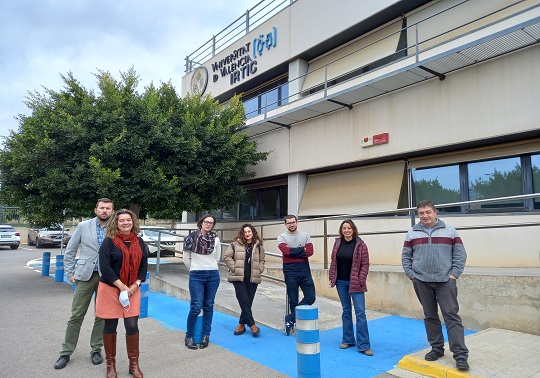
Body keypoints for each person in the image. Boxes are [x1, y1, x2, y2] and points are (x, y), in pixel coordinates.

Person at [402, 200, 469, 372]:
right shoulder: (412, 233)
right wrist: (412, 275)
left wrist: (453, 275)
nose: (425, 216)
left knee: (451, 316)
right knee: (430, 316)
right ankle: (437, 348)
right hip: (421, 281)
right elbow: (405, 256)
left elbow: (460, 255)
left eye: (428, 212)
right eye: (421, 213)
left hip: (445, 282)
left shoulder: (450, 230)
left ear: (435, 212)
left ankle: (460, 355)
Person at [54, 198, 114, 370]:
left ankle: (96, 350)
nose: (104, 211)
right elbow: (70, 250)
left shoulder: (115, 227)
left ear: (112, 211)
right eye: (101, 208)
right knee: (76, 315)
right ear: (96, 210)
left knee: (101, 316)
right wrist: (69, 273)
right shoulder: (83, 226)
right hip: (85, 276)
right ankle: (65, 352)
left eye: (108, 208)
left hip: (107, 279)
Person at [96, 209, 149, 378]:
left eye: (128, 220)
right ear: (115, 223)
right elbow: (105, 268)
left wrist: (135, 285)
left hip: (133, 289)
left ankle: (134, 364)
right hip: (111, 289)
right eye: (122, 220)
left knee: (132, 325)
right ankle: (110, 365)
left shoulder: (139, 242)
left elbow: (143, 266)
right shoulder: (108, 242)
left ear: (133, 222)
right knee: (110, 326)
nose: (126, 223)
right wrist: (122, 287)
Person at [329, 220, 373, 356]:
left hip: (355, 283)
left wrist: (360, 280)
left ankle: (364, 345)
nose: (346, 230)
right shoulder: (337, 243)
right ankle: (348, 339)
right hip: (341, 282)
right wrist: (332, 277)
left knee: (360, 313)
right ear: (341, 230)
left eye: (349, 228)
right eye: (344, 228)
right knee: (346, 311)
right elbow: (333, 261)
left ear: (353, 230)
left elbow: (365, 264)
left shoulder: (360, 245)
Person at [182, 214, 221, 350]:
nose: (208, 224)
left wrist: (209, 267)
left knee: (209, 305)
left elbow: (217, 257)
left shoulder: (215, 239)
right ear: (201, 222)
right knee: (196, 306)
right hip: (196, 275)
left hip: (213, 274)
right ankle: (189, 336)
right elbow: (186, 258)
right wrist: (195, 268)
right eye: (206, 221)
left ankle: (206, 335)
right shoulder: (191, 238)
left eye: (211, 222)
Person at [223, 224, 266, 337]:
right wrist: (234, 267)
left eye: (249, 231)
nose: (247, 234)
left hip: (253, 277)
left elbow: (262, 260)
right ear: (242, 233)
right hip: (238, 277)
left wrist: (260, 269)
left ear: (253, 232)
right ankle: (252, 325)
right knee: (243, 300)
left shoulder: (259, 246)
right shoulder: (234, 244)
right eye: (244, 232)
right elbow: (226, 257)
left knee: (248, 302)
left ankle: (241, 324)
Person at [277, 214, 316, 336]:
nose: (291, 224)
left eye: (293, 222)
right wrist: (301, 249)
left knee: (311, 297)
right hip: (290, 272)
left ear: (297, 222)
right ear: (285, 224)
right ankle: (294, 323)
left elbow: (310, 252)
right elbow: (285, 251)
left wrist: (293, 251)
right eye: (288, 223)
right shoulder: (281, 237)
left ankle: (290, 318)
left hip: (305, 272)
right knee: (293, 300)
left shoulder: (305, 235)